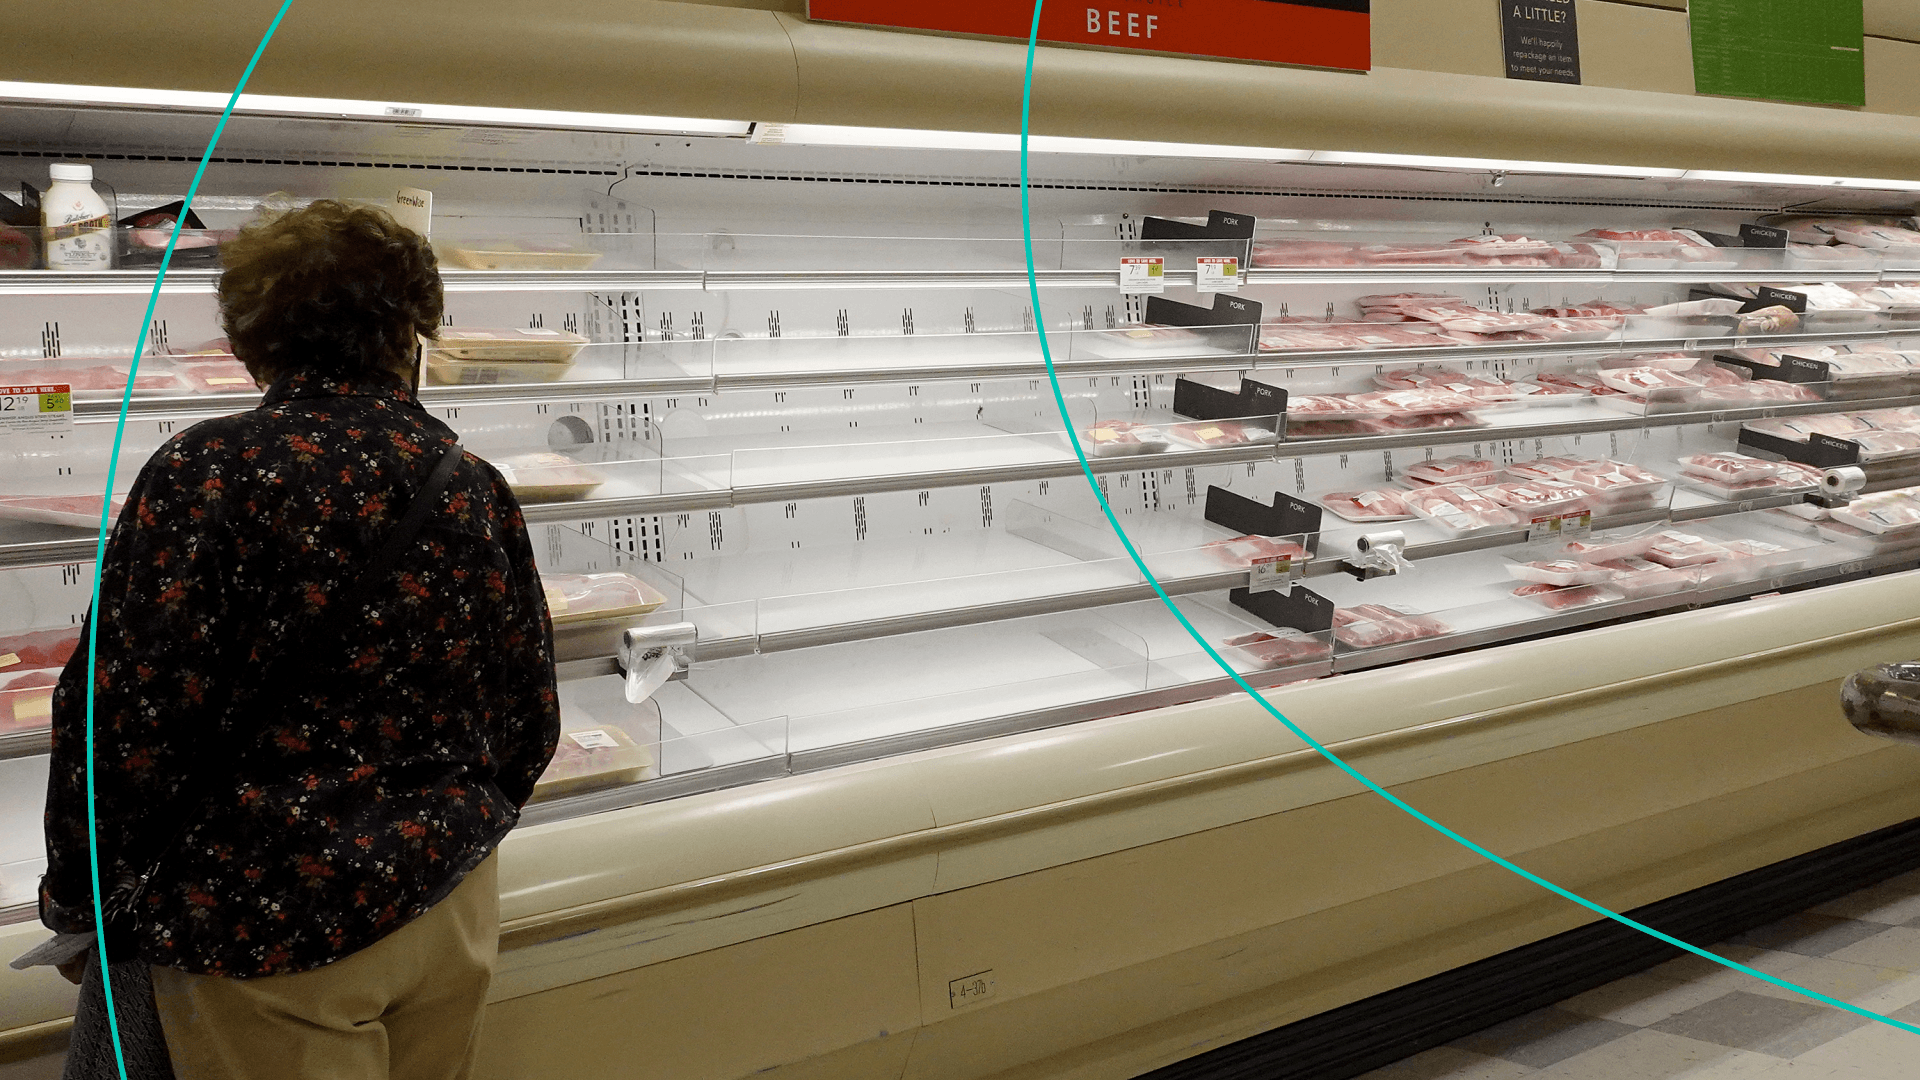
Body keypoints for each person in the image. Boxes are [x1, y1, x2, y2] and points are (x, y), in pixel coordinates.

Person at [39, 200, 561, 1079]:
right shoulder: (470, 482)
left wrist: (79, 898)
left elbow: (122, 717)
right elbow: (529, 719)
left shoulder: (208, 471)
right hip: (448, 902)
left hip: (267, 919)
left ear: (253, 341)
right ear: (411, 334)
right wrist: (447, 830)